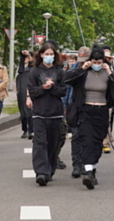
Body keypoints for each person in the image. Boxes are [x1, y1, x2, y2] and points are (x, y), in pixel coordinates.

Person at [64, 46, 114, 189]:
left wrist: (110, 73)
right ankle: (87, 172)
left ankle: (92, 169)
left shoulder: (108, 73)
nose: (97, 65)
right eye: (94, 62)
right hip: (85, 110)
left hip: (101, 110)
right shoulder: (84, 73)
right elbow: (66, 79)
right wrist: (82, 68)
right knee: (86, 140)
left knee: (97, 142)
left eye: (100, 62)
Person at [26, 43, 67, 186]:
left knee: (53, 143)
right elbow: (32, 91)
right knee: (40, 143)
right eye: (46, 54)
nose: (49, 57)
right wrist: (43, 88)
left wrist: (53, 86)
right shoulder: (35, 72)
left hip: (55, 112)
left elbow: (63, 91)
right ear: (41, 55)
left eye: (51, 54)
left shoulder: (60, 72)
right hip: (39, 112)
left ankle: (50, 169)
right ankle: (41, 172)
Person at [66, 46, 90, 178]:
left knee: (86, 137)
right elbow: (68, 83)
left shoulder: (93, 68)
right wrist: (66, 106)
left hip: (89, 105)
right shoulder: (74, 68)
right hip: (74, 105)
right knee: (76, 136)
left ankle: (86, 164)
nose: (82, 62)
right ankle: (76, 164)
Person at [102, 46, 114, 154]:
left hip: (108, 99)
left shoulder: (112, 67)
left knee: (107, 120)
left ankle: (106, 143)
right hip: (93, 100)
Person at [17, 49, 34, 139]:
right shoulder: (22, 68)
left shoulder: (33, 68)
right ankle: (24, 130)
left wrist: (29, 55)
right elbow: (18, 77)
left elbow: (33, 63)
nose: (26, 59)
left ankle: (31, 130)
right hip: (21, 90)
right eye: (25, 57)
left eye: (28, 57)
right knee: (23, 112)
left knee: (30, 111)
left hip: (29, 90)